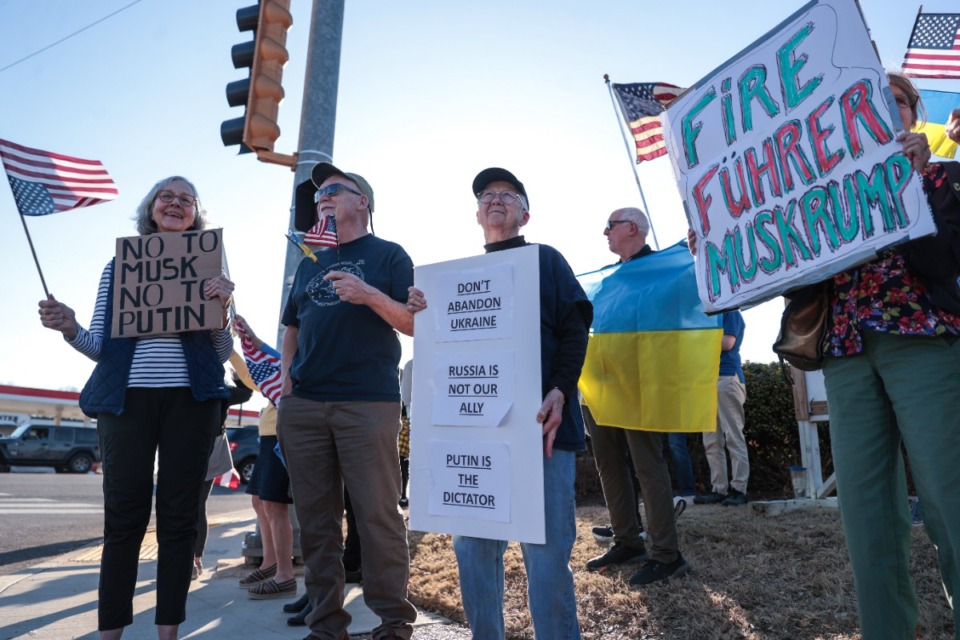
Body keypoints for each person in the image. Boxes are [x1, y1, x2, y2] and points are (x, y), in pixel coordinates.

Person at [689, 72, 960, 639]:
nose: (881, 111)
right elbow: (780, 266)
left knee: (948, 494)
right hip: (843, 350)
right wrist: (725, 242)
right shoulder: (814, 190)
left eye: (896, 102)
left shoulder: (944, 176)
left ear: (915, 115)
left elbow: (942, 262)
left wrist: (912, 180)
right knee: (865, 515)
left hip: (923, 341)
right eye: (862, 103)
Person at [38, 176, 234, 640]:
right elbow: (99, 345)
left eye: (187, 199)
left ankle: (168, 631)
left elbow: (222, 352)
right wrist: (69, 327)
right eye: (167, 196)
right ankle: (112, 633)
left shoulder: (210, 268)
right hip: (126, 404)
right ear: (150, 209)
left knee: (179, 517)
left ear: (195, 215)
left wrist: (223, 307)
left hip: (191, 402)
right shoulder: (119, 266)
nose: (176, 203)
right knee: (123, 517)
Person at [406, 167, 592, 639]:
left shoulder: (545, 260)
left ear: (524, 212)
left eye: (507, 194)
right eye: (487, 195)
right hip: (477, 440)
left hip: (541, 431)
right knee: (472, 551)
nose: (495, 200)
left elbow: (574, 329)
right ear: (477, 214)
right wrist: (422, 314)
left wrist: (561, 389)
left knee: (547, 555)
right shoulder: (452, 282)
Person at [278, 162, 417, 640]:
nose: (324, 196)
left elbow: (413, 322)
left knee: (377, 515)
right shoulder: (308, 263)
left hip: (367, 402)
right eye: (320, 194)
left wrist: (368, 293)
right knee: (315, 523)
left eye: (336, 189)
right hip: (304, 406)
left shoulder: (390, 255)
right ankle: (326, 625)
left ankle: (394, 622)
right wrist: (286, 380)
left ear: (363, 203)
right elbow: (291, 327)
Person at [582, 207, 690, 586]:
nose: (604, 232)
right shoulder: (608, 278)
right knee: (608, 462)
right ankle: (628, 540)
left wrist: (698, 253)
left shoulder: (665, 271)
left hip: (639, 383)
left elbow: (692, 296)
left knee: (647, 464)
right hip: (601, 382)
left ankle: (667, 554)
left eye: (609, 226)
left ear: (631, 229)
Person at [194, 372, 253, 579]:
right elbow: (246, 393)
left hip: (185, 449)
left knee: (187, 506)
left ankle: (192, 559)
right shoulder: (221, 391)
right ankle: (195, 560)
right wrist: (237, 378)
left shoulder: (184, 387)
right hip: (209, 448)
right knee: (198, 505)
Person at [693, 311, 749, 507]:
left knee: (733, 436)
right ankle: (719, 488)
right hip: (709, 380)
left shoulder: (731, 311)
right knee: (711, 439)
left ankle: (739, 489)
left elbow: (727, 343)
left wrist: (697, 340)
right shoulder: (710, 314)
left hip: (727, 377)